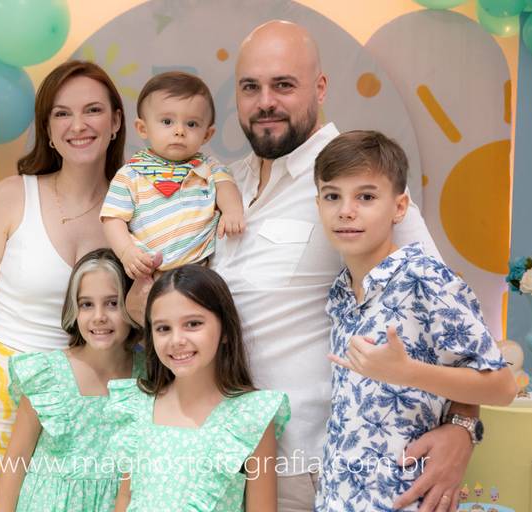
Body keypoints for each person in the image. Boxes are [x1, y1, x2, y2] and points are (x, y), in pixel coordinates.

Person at [127, 20, 480, 512]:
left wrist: (462, 426)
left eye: (283, 85)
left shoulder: (353, 184)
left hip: (312, 464)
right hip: (222, 458)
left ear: (320, 88)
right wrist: (139, 303)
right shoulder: (222, 183)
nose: (265, 101)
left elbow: (450, 317)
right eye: (250, 87)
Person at [0, 60, 125, 512]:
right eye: (62, 113)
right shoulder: (13, 195)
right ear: (47, 129)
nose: (78, 125)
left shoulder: (134, 213)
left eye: (93, 110)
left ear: (116, 122)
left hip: (86, 405)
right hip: (0, 394)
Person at [312, 130, 516, 511]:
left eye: (366, 197)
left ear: (399, 207)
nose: (346, 210)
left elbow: (503, 387)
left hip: (405, 499)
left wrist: (406, 372)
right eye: (332, 196)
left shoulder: (425, 278)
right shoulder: (340, 293)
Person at [110, 265, 289, 511]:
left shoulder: (250, 416)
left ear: (225, 330)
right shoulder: (138, 407)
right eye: (163, 328)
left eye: (193, 324)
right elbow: (125, 499)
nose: (177, 340)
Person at [0, 248, 144, 512]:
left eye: (112, 303)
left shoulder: (149, 377)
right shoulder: (47, 375)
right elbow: (16, 459)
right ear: (74, 309)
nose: (99, 316)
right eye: (87, 304)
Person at [100, 71, 244, 280]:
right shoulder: (131, 174)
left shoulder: (208, 167)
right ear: (143, 128)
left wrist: (232, 211)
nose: (179, 131)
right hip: (150, 270)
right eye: (167, 121)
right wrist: (126, 252)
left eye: (191, 124)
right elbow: (113, 219)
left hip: (199, 270)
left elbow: (226, 186)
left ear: (207, 134)